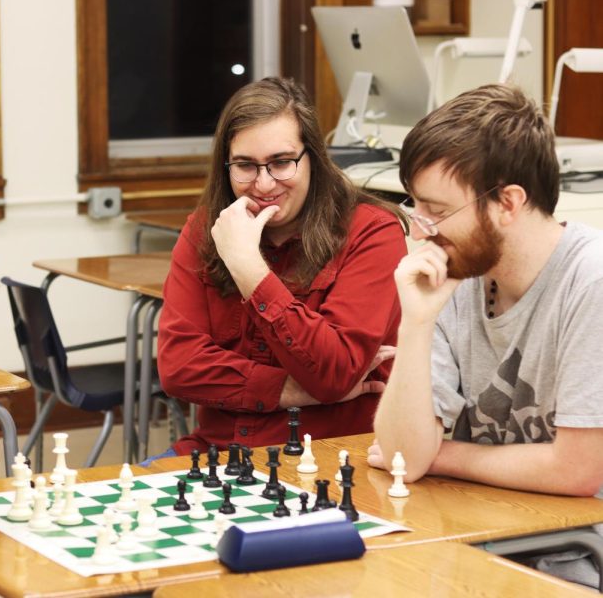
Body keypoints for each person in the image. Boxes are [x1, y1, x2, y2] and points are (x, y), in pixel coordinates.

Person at [371, 84, 603, 588]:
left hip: (579, 551)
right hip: (480, 532)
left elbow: (577, 471)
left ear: (508, 202)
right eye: (414, 205)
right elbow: (402, 458)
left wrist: (443, 454)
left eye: (436, 209)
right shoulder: (457, 274)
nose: (420, 229)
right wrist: (417, 321)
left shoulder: (592, 279)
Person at [155, 77, 408, 458]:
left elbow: (336, 372)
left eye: (281, 162)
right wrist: (293, 390)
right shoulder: (206, 229)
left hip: (320, 460)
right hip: (215, 453)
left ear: (313, 159)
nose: (263, 183)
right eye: (245, 165)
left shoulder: (372, 232)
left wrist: (249, 269)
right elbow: (178, 368)